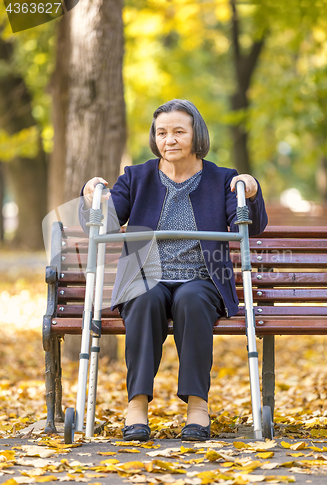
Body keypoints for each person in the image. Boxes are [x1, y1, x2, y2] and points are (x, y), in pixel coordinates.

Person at [80, 99, 268, 442]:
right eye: (162, 132)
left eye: (179, 131)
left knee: (192, 300)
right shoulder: (136, 177)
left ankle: (198, 406)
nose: (170, 139)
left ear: (196, 135)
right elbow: (103, 223)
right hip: (146, 276)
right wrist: (91, 196)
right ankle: (136, 405)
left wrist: (250, 193)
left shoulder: (222, 179)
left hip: (201, 278)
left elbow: (250, 227)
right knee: (143, 298)